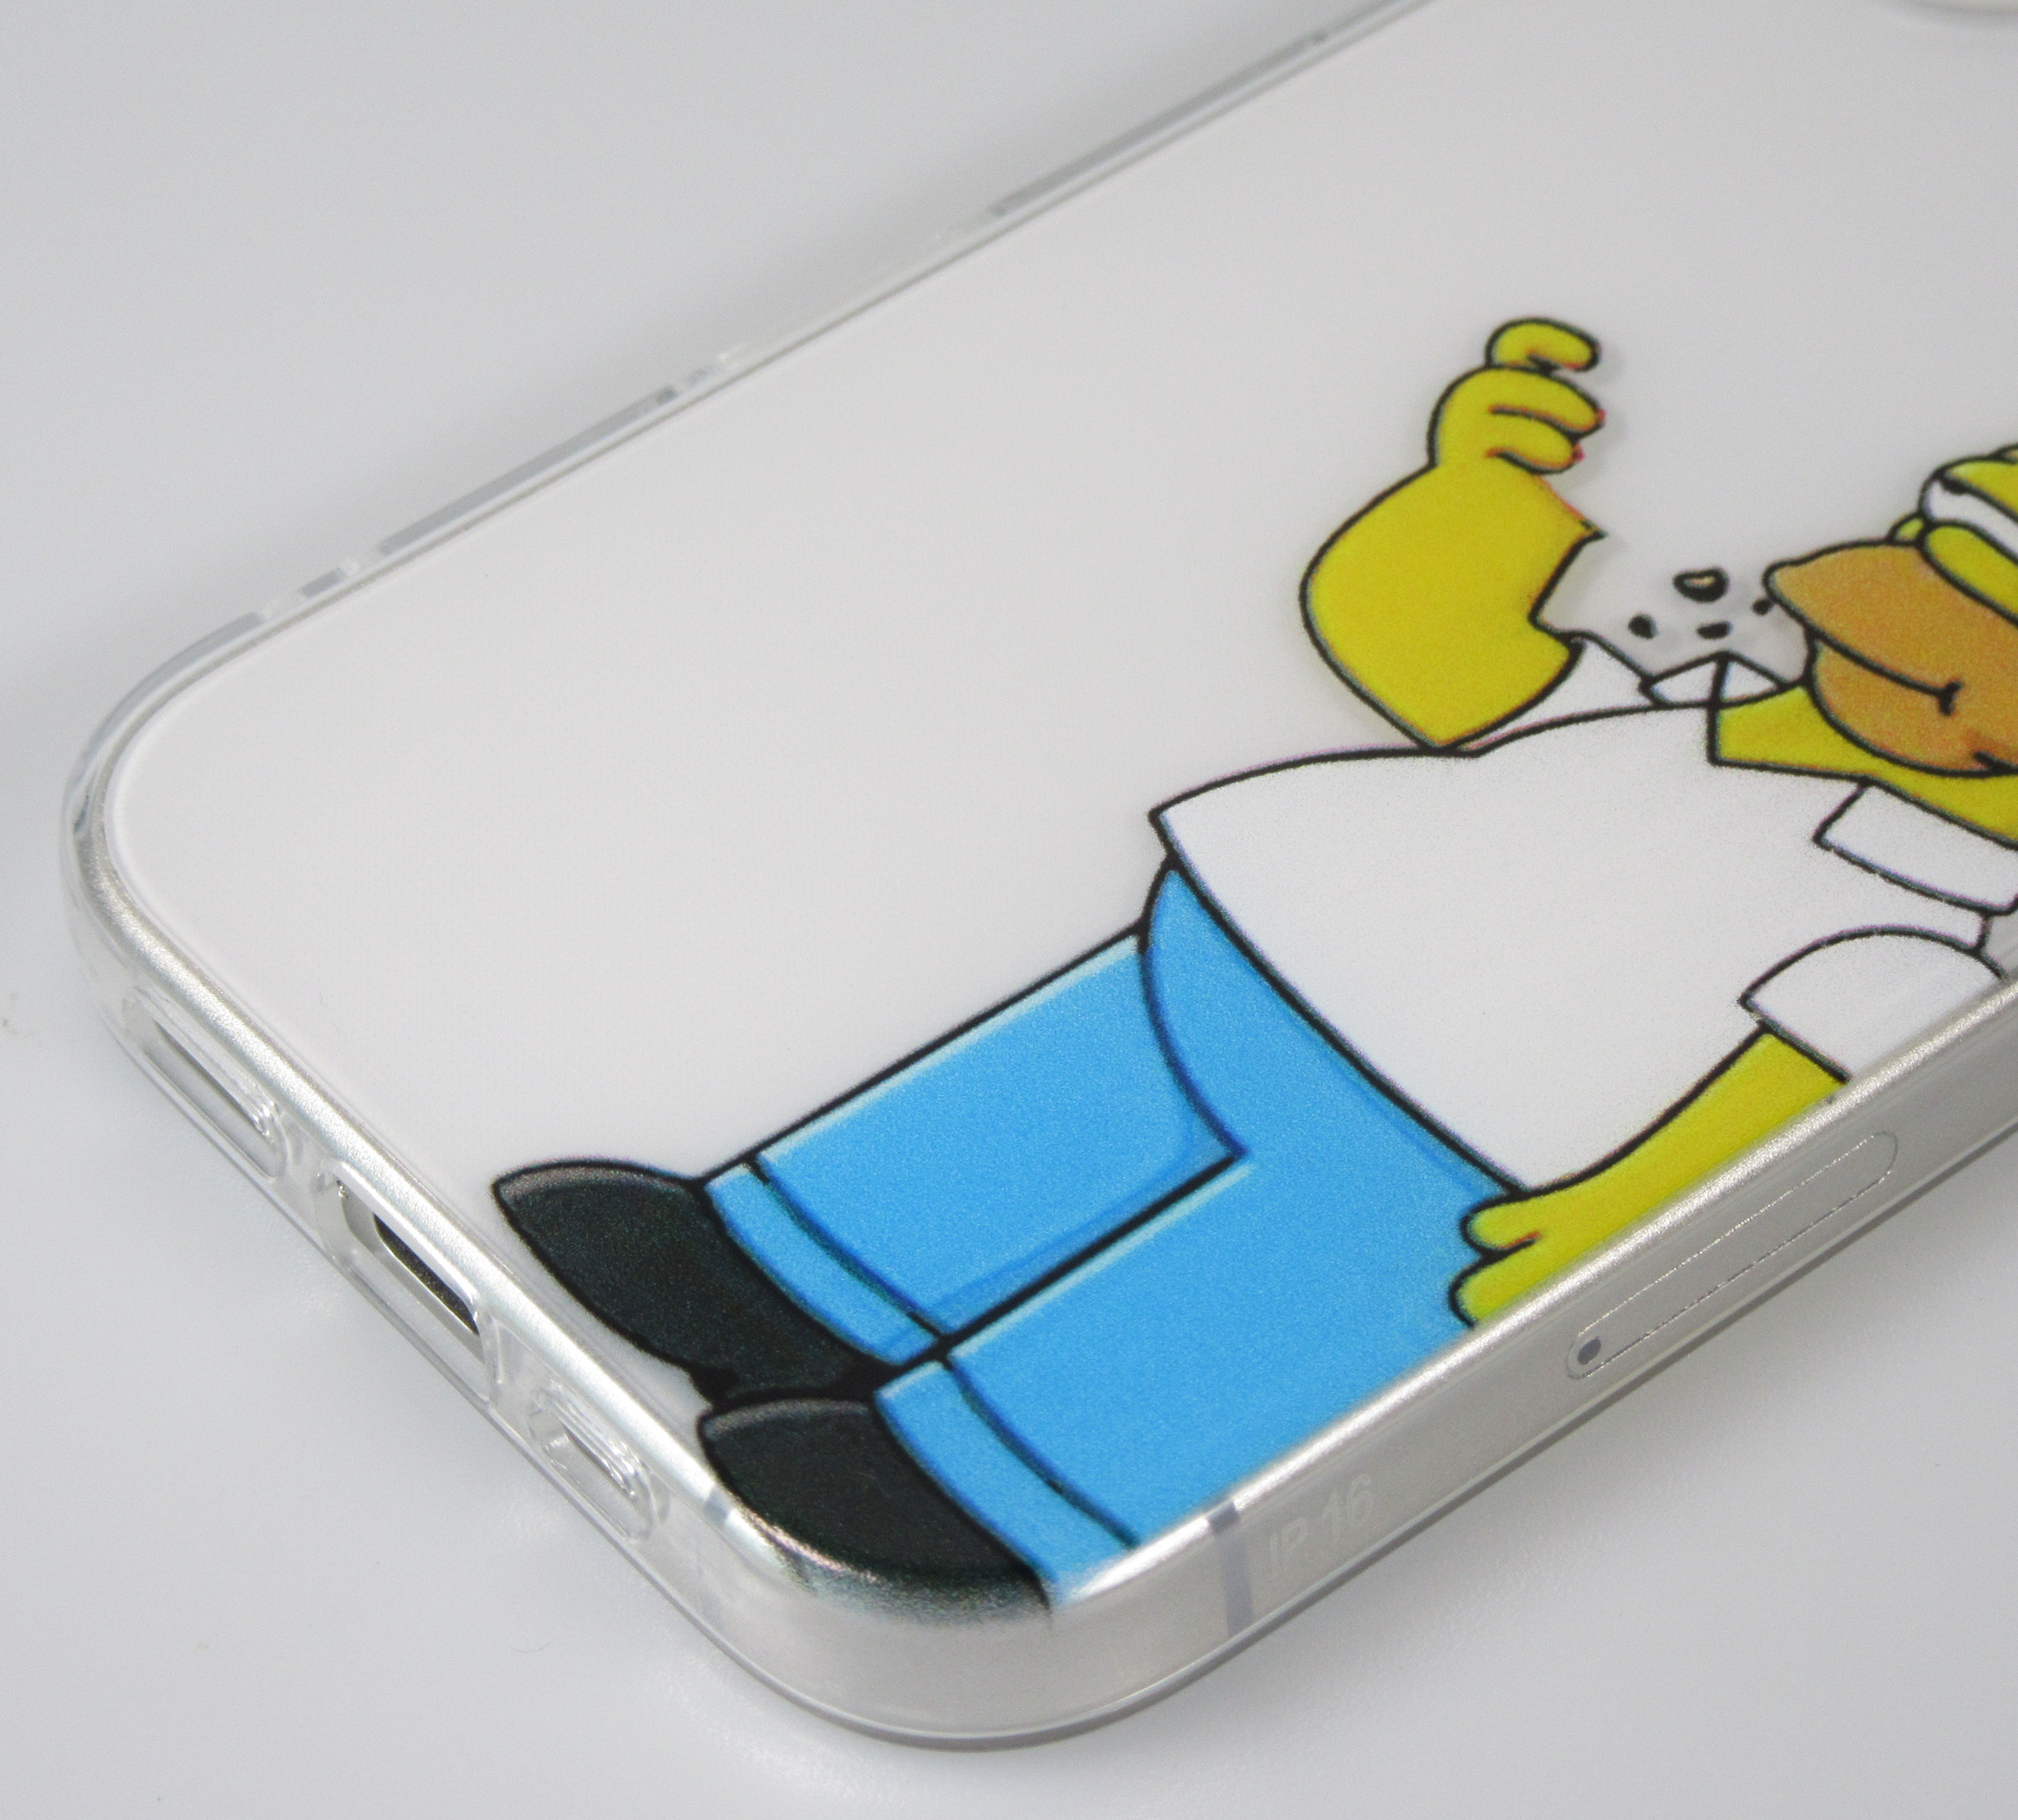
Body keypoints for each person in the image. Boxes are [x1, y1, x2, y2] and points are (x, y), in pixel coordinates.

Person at [498, 319, 2018, 1600]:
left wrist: (1612, 1223)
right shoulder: (1670, 705)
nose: (1887, 637)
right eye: (1918, 579)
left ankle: (984, 1481)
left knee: (1235, 1292)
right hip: (1234, 957)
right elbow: (1419, 648)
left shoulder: (1924, 917)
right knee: (1052, 1103)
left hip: (1441, 1141)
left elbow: (1793, 1088)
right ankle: (773, 1265)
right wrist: (1473, 500)